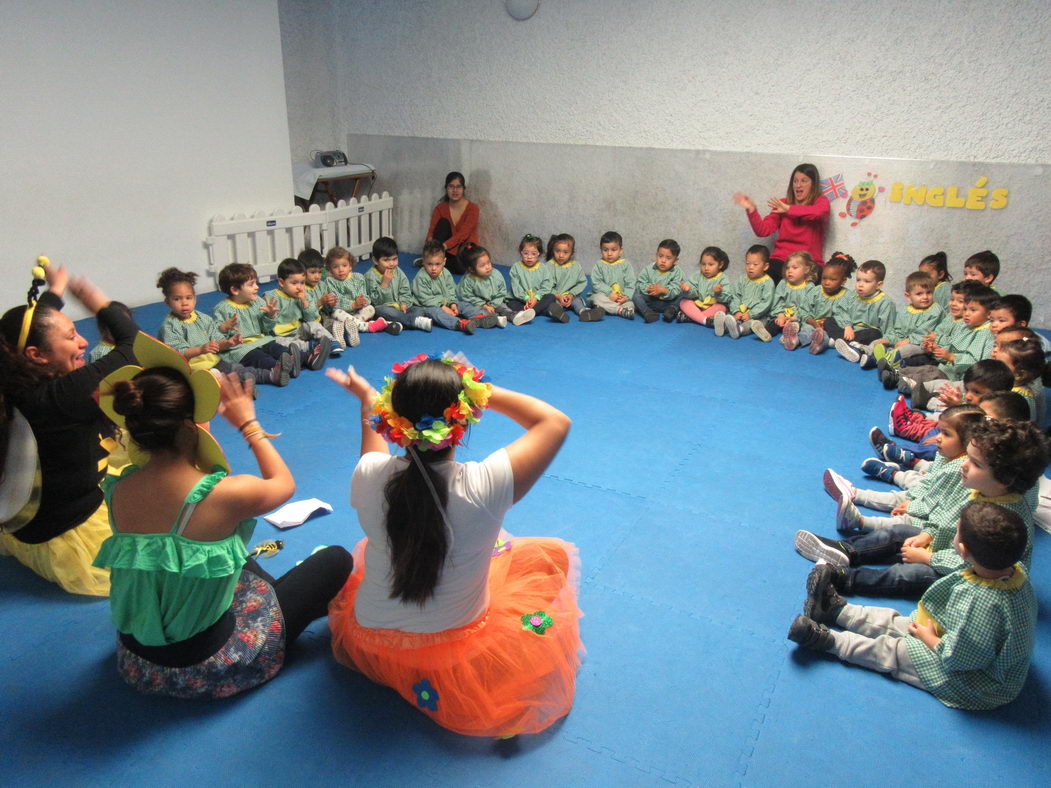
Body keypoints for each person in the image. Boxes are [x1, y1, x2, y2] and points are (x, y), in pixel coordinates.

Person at [327, 353, 583, 737]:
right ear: (463, 418)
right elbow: (554, 421)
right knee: (550, 557)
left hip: (369, 643)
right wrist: (480, 390)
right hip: (453, 654)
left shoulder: (368, 474)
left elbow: (371, 446)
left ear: (392, 420)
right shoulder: (486, 485)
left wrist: (368, 400)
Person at [93, 335, 352, 698]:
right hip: (206, 664)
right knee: (337, 559)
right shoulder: (225, 495)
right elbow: (284, 484)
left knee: (223, 552)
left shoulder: (118, 489)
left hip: (138, 660)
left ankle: (265, 595)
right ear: (190, 426)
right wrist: (249, 424)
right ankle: (271, 616)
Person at [790, 501, 1036, 711]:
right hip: (960, 636)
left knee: (897, 651)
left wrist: (930, 640)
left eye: (956, 531)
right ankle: (836, 611)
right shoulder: (1009, 569)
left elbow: (962, 659)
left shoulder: (981, 604)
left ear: (962, 549)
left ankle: (829, 642)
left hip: (976, 680)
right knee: (900, 622)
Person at [0, 260, 138, 595]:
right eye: (72, 336)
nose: (83, 343)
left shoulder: (15, 375)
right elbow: (133, 345)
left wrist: (56, 291)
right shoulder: (64, 394)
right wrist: (96, 302)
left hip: (28, 522)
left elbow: (34, 325)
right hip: (76, 535)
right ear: (37, 355)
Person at [794, 419, 1047, 599]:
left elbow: (981, 565)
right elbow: (948, 518)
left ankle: (846, 579)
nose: (963, 465)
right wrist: (928, 535)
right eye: (967, 457)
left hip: (966, 575)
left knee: (912, 574)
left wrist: (930, 558)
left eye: (976, 463)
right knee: (901, 531)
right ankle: (846, 551)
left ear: (1004, 478)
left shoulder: (1008, 520)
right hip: (949, 548)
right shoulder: (984, 490)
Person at [155, 268, 280, 386]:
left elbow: (217, 340)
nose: (184, 303)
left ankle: (271, 376)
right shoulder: (170, 326)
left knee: (237, 369)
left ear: (195, 299)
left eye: (189, 298)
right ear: (168, 302)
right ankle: (241, 387)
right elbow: (178, 353)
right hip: (193, 370)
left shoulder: (203, 318)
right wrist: (201, 350)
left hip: (214, 361)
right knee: (217, 380)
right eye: (177, 299)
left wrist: (229, 343)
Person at [733, 163, 830, 282]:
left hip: (808, 263)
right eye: (795, 181)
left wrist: (789, 209)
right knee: (762, 283)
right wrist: (752, 210)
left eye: (804, 181)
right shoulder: (782, 204)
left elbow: (818, 212)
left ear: (813, 185)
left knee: (807, 289)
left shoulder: (820, 202)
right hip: (781, 261)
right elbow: (763, 230)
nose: (798, 185)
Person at [211, 262, 296, 383]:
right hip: (242, 348)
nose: (257, 287)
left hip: (262, 340)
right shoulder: (222, 309)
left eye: (256, 283)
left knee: (279, 349)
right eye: (251, 284)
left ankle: (296, 360)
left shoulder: (257, 302)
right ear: (235, 290)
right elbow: (216, 336)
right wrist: (224, 328)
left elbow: (266, 329)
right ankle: (280, 369)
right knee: (261, 359)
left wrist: (270, 315)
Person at [411, 239, 496, 334]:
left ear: (444, 262)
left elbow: (451, 290)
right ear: (423, 262)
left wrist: (452, 304)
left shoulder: (446, 273)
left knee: (463, 304)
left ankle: (478, 317)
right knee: (436, 313)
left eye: (437, 264)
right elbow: (425, 299)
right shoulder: (421, 277)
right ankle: (459, 324)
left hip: (445, 302)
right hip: (427, 306)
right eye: (429, 264)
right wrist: (443, 307)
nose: (433, 268)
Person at [269, 257, 337, 365]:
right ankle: (312, 348)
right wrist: (270, 314)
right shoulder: (271, 297)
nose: (299, 287)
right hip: (280, 335)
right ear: (281, 282)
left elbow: (311, 317)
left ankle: (331, 341)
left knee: (313, 325)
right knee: (283, 343)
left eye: (302, 283)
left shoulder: (304, 295)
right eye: (294, 283)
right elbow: (265, 324)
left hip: (299, 330)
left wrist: (305, 301)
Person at [830, 260, 897, 366]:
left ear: (879, 285)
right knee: (830, 321)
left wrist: (883, 342)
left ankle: (839, 342)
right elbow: (840, 310)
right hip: (849, 331)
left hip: (865, 334)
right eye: (858, 280)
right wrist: (847, 326)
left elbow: (889, 331)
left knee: (874, 333)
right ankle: (846, 344)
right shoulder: (853, 295)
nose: (860, 285)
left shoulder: (886, 303)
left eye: (866, 281)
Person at [456, 243, 535, 327]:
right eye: (482, 265)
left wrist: (493, 304)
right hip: (477, 303)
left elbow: (502, 291)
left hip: (494, 301)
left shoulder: (495, 274)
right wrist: (484, 305)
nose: (488, 267)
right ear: (471, 269)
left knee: (502, 306)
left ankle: (514, 316)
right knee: (474, 310)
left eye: (488, 262)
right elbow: (467, 296)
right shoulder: (468, 280)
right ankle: (496, 319)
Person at [364, 237, 432, 333]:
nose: (392, 263)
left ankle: (396, 324)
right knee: (382, 311)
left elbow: (405, 290)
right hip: (385, 308)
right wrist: (384, 284)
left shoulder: (398, 271)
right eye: (386, 260)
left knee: (419, 310)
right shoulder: (370, 276)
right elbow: (375, 301)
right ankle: (412, 321)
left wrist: (404, 303)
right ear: (375, 260)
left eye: (395, 259)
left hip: (400, 308)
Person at [791, 251, 854, 353]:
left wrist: (846, 326)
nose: (827, 282)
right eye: (824, 278)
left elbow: (845, 316)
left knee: (826, 334)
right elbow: (804, 310)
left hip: (830, 328)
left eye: (833, 279)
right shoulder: (816, 291)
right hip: (812, 322)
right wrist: (813, 323)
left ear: (843, 280)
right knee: (807, 329)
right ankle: (795, 339)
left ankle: (819, 344)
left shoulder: (847, 296)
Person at [752, 250, 814, 344]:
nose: (790, 271)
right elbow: (777, 301)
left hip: (797, 319)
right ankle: (766, 333)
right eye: (787, 268)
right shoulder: (783, 283)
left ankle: (788, 337)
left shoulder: (810, 287)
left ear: (806, 269)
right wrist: (780, 315)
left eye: (794, 268)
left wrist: (794, 317)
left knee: (799, 327)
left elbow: (808, 308)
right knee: (774, 323)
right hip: (783, 316)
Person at [713, 245, 774, 339]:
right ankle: (723, 326)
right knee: (731, 317)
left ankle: (740, 330)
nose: (750, 267)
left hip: (759, 315)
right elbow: (736, 296)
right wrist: (736, 311)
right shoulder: (742, 279)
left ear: (765, 266)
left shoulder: (768, 282)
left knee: (755, 324)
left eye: (755, 264)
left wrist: (751, 314)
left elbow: (766, 303)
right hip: (741, 312)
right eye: (748, 263)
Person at [426, 171, 480, 275]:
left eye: (458, 187)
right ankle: (433, 260)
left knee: (462, 267)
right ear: (446, 188)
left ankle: (433, 263)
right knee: (443, 223)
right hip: (444, 251)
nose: (455, 190)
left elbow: (464, 234)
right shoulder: (440, 208)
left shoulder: (473, 208)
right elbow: (431, 232)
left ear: (464, 189)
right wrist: (428, 249)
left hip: (464, 249)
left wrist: (443, 247)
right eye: (451, 186)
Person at [547, 233, 604, 322]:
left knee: (577, 302)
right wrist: (558, 296)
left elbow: (582, 282)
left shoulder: (576, 266)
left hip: (571, 296)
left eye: (565, 252)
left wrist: (571, 294)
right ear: (553, 250)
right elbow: (546, 285)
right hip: (556, 297)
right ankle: (558, 314)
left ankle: (584, 313)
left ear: (572, 252)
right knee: (551, 304)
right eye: (557, 251)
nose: (561, 255)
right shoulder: (549, 266)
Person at [508, 234, 565, 322]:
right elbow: (516, 288)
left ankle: (531, 312)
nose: (529, 257)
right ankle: (545, 311)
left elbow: (546, 286)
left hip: (539, 299)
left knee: (551, 296)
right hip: (522, 300)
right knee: (510, 303)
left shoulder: (543, 268)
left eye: (533, 254)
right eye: (525, 253)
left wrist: (536, 297)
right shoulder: (516, 268)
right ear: (521, 252)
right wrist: (526, 298)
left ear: (539, 254)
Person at [632, 239, 684, 324]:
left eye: (668, 258)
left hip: (668, 303)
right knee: (634, 294)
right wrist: (650, 288)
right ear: (656, 255)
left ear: (675, 260)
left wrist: (664, 290)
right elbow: (639, 283)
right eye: (660, 256)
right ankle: (647, 312)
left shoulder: (677, 272)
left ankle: (672, 310)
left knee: (684, 294)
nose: (663, 260)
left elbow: (676, 289)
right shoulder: (649, 269)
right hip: (651, 301)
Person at [588, 230, 637, 320]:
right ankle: (619, 310)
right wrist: (609, 294)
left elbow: (631, 283)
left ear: (621, 250)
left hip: (621, 298)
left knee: (631, 303)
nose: (609, 253)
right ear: (601, 250)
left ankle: (605, 309)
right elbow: (596, 283)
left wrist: (625, 297)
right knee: (595, 298)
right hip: (606, 296)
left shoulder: (626, 265)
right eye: (605, 250)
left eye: (614, 250)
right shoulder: (599, 265)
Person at [677, 246, 730, 327]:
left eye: (711, 264)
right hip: (697, 306)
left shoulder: (723, 279)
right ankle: (705, 321)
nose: (706, 268)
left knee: (722, 308)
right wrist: (687, 290)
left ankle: (691, 318)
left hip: (712, 307)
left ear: (720, 265)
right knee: (683, 302)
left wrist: (718, 293)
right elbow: (693, 293)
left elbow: (727, 298)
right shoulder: (696, 275)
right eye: (703, 264)